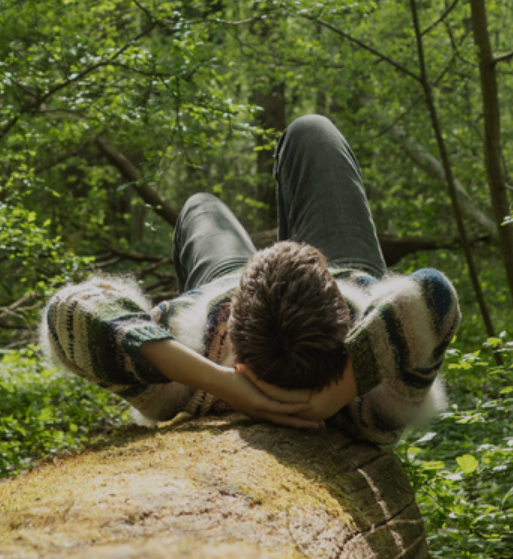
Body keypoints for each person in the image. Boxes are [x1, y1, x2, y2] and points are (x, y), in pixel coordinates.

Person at [41, 114, 460, 446]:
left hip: (220, 296)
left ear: (234, 334)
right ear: (346, 324)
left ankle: (234, 262)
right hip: (338, 286)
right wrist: (333, 395)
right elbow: (434, 293)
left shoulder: (188, 360)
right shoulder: (381, 392)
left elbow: (70, 310)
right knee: (311, 130)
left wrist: (219, 381)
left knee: (200, 206)